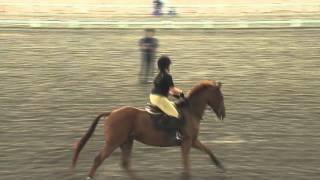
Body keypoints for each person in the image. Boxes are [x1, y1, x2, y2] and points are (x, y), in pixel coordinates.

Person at [149, 55, 184, 141]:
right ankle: (175, 135)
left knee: (174, 106)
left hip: (152, 97)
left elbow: (168, 90)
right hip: (159, 98)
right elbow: (173, 89)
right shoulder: (167, 76)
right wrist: (181, 93)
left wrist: (176, 95)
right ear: (166, 65)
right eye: (169, 65)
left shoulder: (158, 75)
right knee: (176, 115)